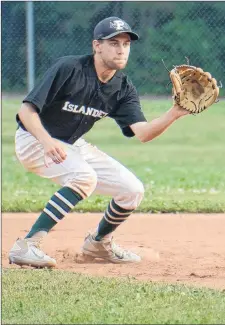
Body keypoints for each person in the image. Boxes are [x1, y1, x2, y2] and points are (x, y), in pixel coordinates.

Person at [8, 17, 190, 268]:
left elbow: (143, 133)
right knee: (84, 177)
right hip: (33, 139)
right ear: (97, 45)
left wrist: (174, 113)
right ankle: (27, 246)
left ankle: (98, 244)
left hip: (72, 143)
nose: (121, 49)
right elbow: (26, 111)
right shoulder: (69, 68)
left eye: (126, 44)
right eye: (113, 42)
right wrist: (47, 142)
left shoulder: (122, 88)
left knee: (132, 190)